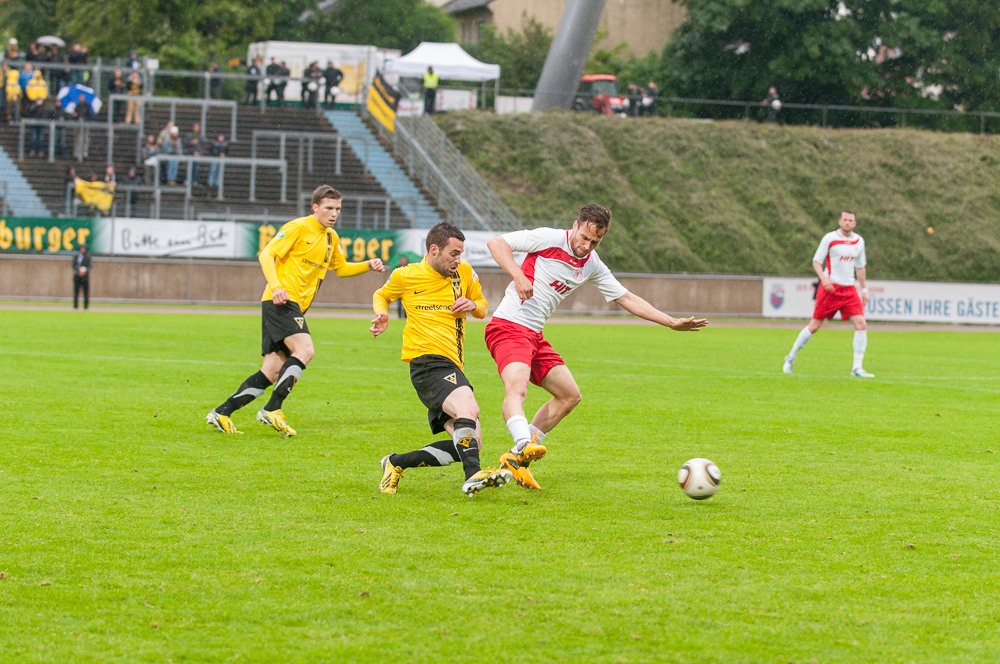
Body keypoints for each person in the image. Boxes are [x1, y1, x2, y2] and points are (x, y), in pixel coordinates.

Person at [485, 204, 709, 490]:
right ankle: (522, 444)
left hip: (535, 335)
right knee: (517, 389)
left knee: (569, 395)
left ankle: (516, 460)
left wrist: (670, 322)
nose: (587, 246)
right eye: (584, 237)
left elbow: (626, 298)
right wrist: (518, 275)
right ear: (575, 226)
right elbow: (497, 243)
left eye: (595, 242)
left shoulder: (591, 263)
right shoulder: (549, 238)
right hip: (509, 327)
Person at [207, 185, 385, 436]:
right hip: (280, 301)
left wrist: (367, 265)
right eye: (329, 208)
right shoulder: (298, 227)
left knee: (271, 370)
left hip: (293, 305)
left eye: (337, 209)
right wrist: (277, 286)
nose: (334, 213)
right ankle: (272, 409)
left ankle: (222, 412)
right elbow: (266, 255)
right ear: (315, 207)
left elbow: (341, 269)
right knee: (305, 350)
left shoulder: (331, 237)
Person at [370, 222, 512, 497]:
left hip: (452, 363)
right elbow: (382, 294)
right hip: (427, 362)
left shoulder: (464, 272)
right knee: (469, 408)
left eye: (460, 254)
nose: (458, 260)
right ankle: (473, 476)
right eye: (453, 253)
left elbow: (482, 306)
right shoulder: (406, 275)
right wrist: (382, 313)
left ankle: (395, 462)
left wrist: (473, 304)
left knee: (470, 444)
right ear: (434, 250)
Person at [782, 210, 873, 377]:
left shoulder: (859, 241)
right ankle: (791, 357)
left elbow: (860, 268)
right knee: (814, 326)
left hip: (849, 289)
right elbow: (816, 261)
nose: (847, 222)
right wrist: (824, 279)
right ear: (840, 221)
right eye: (845, 219)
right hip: (830, 288)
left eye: (850, 220)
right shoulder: (830, 239)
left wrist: (864, 289)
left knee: (861, 324)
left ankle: (857, 368)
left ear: (855, 223)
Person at [71, 242, 91, 309]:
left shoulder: (87, 256)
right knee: (76, 292)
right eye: (81, 248)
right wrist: (78, 270)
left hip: (85, 277)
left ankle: (86, 306)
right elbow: (73, 265)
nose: (82, 250)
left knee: (86, 292)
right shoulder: (76, 256)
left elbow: (89, 266)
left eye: (83, 248)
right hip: (77, 276)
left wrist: (85, 270)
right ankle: (75, 306)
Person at [395, 254, 409, 318]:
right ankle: (399, 316)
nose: (403, 261)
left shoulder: (409, 268)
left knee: (406, 304)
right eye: (402, 260)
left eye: (404, 260)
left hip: (406, 288)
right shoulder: (397, 268)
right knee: (399, 304)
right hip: (399, 288)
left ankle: (406, 316)